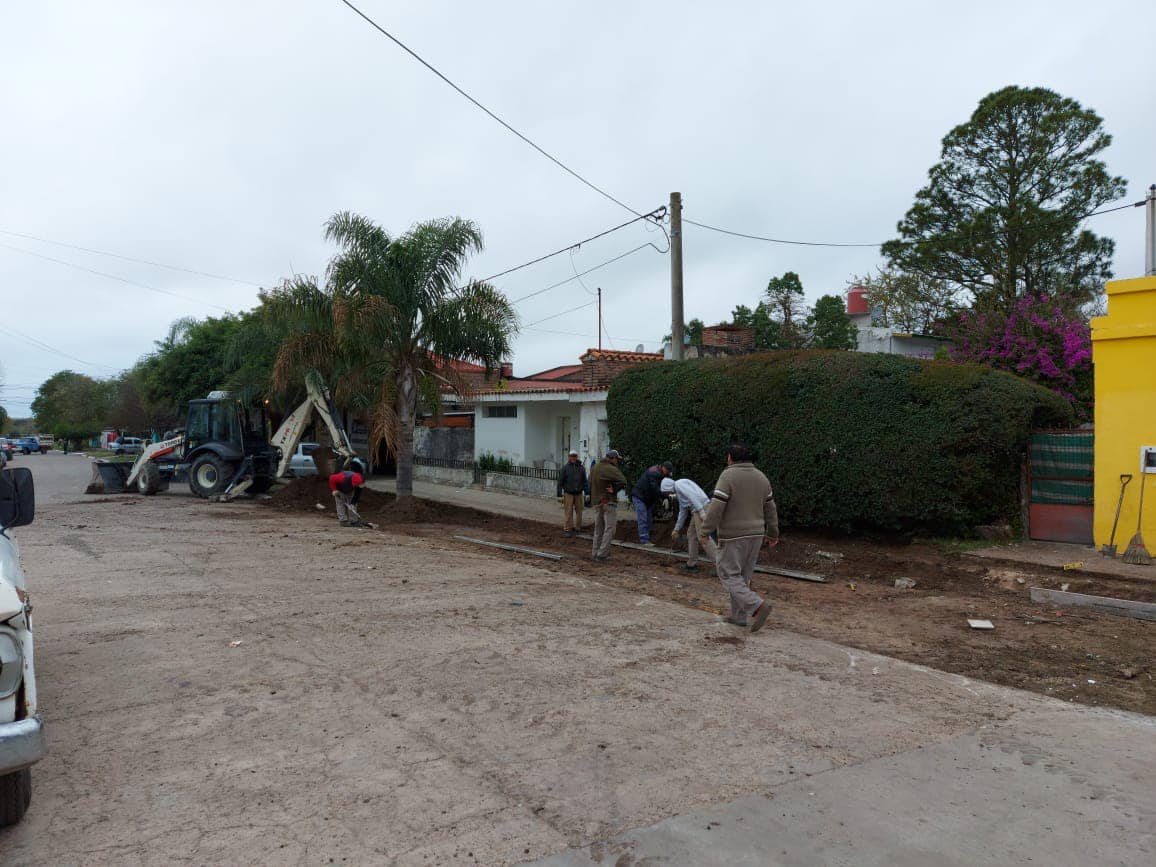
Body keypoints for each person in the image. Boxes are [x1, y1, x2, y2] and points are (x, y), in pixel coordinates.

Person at [699, 443, 779, 633]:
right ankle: (739, 617)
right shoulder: (761, 477)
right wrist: (773, 533)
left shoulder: (728, 475)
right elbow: (771, 508)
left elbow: (716, 507)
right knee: (743, 577)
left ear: (729, 458)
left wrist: (704, 531)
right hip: (756, 535)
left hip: (733, 535)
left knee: (728, 574)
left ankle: (758, 606)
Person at [662, 476, 717, 571]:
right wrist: (676, 529)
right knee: (691, 534)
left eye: (667, 492)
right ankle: (692, 564)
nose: (668, 494)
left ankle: (722, 566)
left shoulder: (679, 484)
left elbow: (693, 496)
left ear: (668, 487)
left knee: (703, 537)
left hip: (701, 508)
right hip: (696, 510)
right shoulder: (679, 492)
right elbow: (682, 512)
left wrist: (702, 513)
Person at [588, 449, 628, 561]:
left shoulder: (595, 467)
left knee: (598, 528)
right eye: (617, 459)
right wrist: (614, 489)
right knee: (610, 529)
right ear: (613, 458)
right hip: (608, 501)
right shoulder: (610, 468)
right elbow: (624, 480)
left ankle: (595, 552)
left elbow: (589, 481)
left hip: (597, 502)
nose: (617, 462)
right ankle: (602, 554)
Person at [631, 460, 673, 546]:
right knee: (643, 518)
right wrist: (665, 497)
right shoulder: (653, 473)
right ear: (663, 468)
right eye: (667, 471)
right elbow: (655, 489)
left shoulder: (662, 473)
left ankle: (647, 537)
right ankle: (644, 540)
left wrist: (666, 496)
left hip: (647, 499)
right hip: (639, 497)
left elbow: (664, 485)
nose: (668, 473)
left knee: (649, 519)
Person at [556, 449, 588, 536]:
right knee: (568, 511)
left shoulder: (581, 468)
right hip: (568, 494)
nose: (573, 457)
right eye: (571, 456)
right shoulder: (565, 468)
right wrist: (559, 495)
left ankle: (578, 528)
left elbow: (585, 481)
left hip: (578, 494)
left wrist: (587, 492)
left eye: (574, 456)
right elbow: (560, 482)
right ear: (569, 457)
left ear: (576, 457)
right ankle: (567, 529)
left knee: (579, 511)